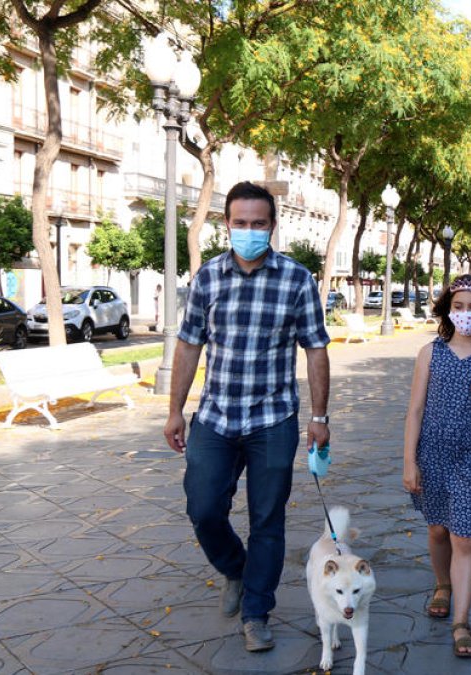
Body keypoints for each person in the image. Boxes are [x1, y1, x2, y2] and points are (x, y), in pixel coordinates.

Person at [163, 181, 331, 653]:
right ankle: (236, 569)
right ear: (227, 225)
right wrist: (175, 410)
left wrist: (319, 415)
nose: (250, 231)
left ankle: (257, 612)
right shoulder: (208, 278)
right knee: (203, 508)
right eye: (241, 223)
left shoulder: (297, 280)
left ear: (273, 226)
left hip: (273, 420)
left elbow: (316, 348)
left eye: (259, 224)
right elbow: (189, 343)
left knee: (268, 519)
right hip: (215, 418)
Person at [402, 274, 471, 659]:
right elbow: (414, 410)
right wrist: (409, 460)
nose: (466, 314)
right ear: (447, 310)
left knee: (465, 536)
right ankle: (442, 583)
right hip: (432, 453)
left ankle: (462, 621)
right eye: (458, 307)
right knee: (438, 529)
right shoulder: (431, 352)